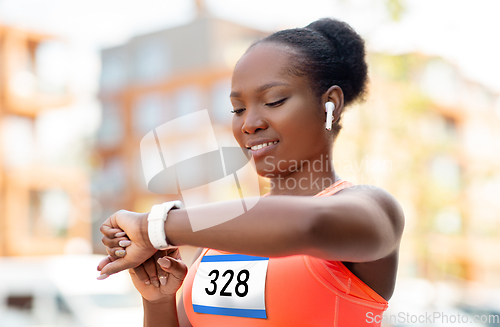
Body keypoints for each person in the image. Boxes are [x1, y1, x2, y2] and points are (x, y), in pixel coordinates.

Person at [97, 17, 404, 327]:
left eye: (274, 101)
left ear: (331, 105)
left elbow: (308, 224)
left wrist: (153, 228)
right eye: (238, 109)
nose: (248, 123)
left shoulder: (373, 210)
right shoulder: (219, 238)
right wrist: (159, 301)